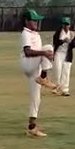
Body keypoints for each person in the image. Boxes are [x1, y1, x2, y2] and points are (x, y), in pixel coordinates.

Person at [19, 8, 56, 137]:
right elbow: (27, 52)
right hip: (28, 63)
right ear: (26, 21)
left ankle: (32, 127)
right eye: (33, 20)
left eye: (37, 20)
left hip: (36, 65)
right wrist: (44, 53)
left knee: (36, 97)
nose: (36, 22)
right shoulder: (26, 33)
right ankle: (44, 77)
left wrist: (46, 56)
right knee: (47, 48)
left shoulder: (35, 34)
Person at [51, 16, 75, 96]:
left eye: (67, 24)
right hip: (58, 54)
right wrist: (63, 41)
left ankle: (65, 90)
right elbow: (55, 42)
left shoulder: (72, 34)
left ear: (70, 25)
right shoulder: (58, 33)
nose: (66, 26)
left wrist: (70, 42)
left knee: (66, 72)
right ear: (62, 25)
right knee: (58, 70)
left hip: (67, 55)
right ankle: (56, 87)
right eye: (64, 24)